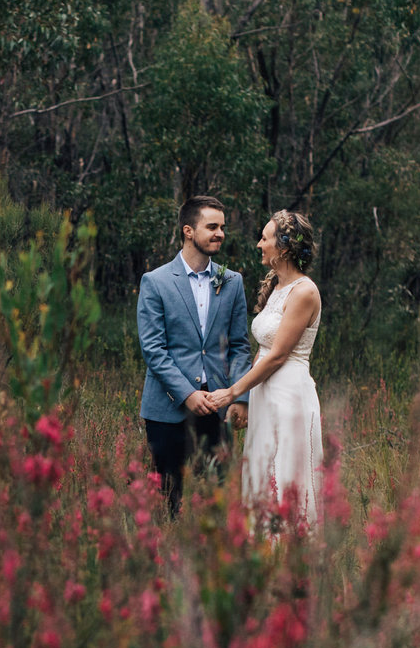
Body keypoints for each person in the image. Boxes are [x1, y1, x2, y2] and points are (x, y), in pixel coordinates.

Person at [135, 196, 256, 516]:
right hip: (167, 410)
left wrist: (239, 398)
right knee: (168, 500)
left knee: (218, 502)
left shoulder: (232, 281)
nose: (221, 234)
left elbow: (240, 346)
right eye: (212, 227)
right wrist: (187, 394)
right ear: (188, 231)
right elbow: (153, 350)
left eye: (223, 227)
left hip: (218, 410)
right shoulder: (156, 282)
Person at [211, 210, 324, 526]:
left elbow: (277, 356)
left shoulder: (304, 291)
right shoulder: (276, 286)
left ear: (284, 247)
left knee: (285, 476)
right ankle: (261, 555)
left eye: (265, 238)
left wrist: (233, 391)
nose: (259, 244)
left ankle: (290, 559)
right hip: (265, 393)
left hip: (289, 395)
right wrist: (245, 400)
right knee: (262, 475)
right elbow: (263, 351)